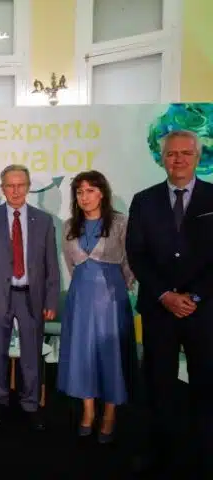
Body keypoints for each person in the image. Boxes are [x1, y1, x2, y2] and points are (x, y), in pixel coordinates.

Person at [126, 130, 213, 475]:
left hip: (203, 311)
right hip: (158, 310)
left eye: (185, 153)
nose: (178, 160)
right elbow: (137, 253)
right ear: (163, 158)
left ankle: (204, 453)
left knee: (205, 383)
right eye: (172, 154)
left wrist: (194, 296)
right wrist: (165, 294)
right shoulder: (144, 200)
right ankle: (159, 454)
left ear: (197, 157)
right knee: (158, 384)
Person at [0, 164, 60, 431]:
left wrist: (51, 300)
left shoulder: (43, 220)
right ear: (2, 188)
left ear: (28, 187)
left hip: (31, 297)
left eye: (20, 185)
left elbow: (51, 264)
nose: (15, 190)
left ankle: (30, 404)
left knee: (31, 353)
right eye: (10, 185)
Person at [57, 170, 136, 443]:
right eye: (80, 192)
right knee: (82, 355)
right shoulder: (69, 226)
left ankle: (110, 414)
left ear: (102, 193)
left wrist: (118, 287)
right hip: (80, 298)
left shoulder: (120, 222)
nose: (84, 197)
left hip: (111, 299)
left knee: (111, 355)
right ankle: (88, 411)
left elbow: (129, 263)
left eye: (90, 190)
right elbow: (71, 265)